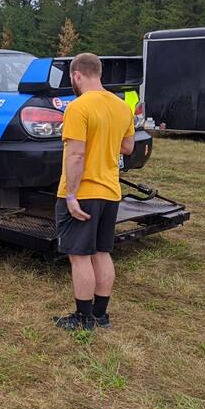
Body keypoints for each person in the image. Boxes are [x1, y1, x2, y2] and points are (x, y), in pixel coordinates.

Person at [53, 53, 135, 331]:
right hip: (110, 191)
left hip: (84, 192)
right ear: (98, 73)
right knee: (102, 251)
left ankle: (83, 318)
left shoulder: (78, 107)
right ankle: (100, 314)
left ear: (77, 75)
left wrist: (71, 196)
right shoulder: (121, 106)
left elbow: (75, 155)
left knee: (80, 256)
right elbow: (128, 147)